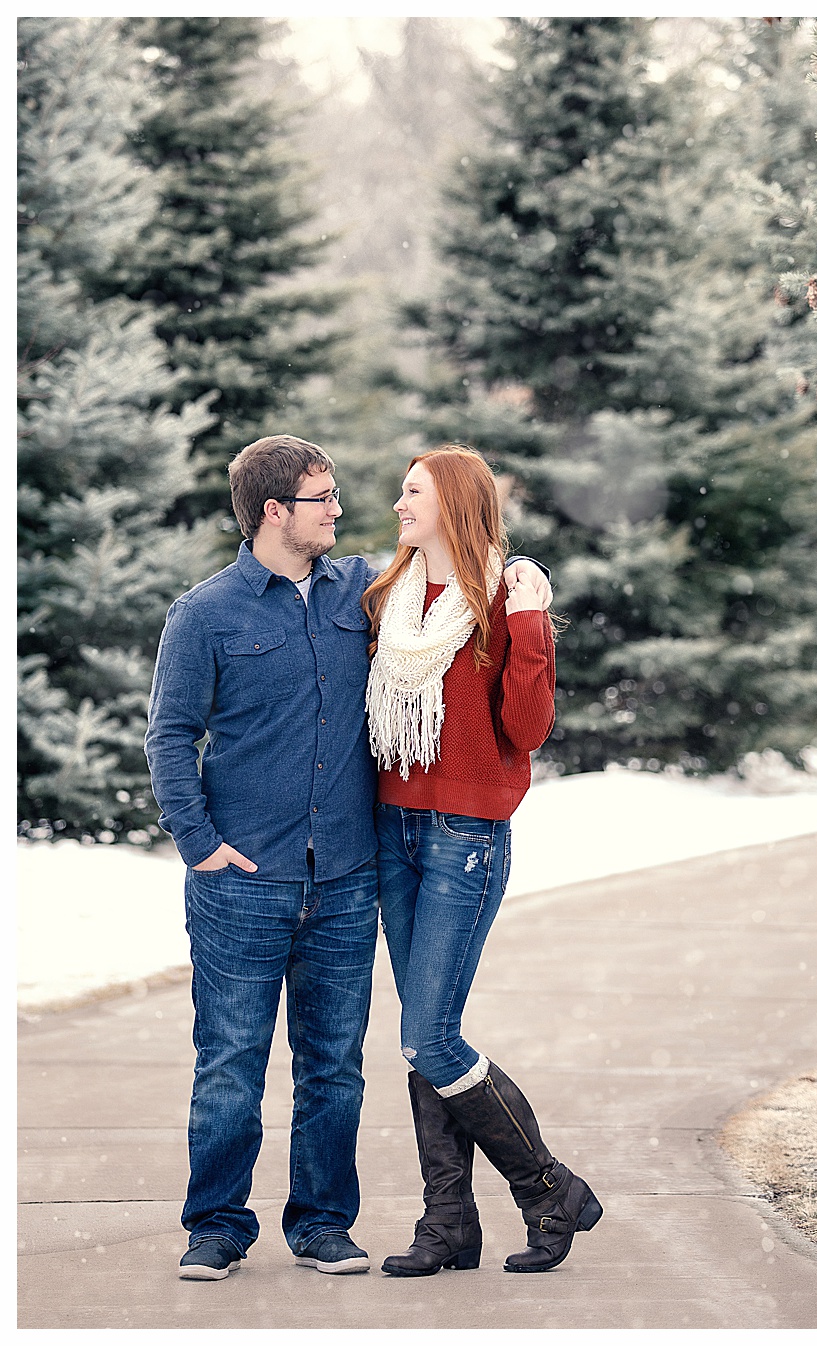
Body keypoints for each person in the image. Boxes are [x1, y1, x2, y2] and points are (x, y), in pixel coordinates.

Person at [146, 434, 544, 1282]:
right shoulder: (205, 614)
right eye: (320, 498)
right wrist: (199, 843)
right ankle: (216, 1225)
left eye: (335, 495)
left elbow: (453, 572)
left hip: (347, 878)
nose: (339, 509)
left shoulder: (366, 591)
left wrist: (521, 583)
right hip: (243, 881)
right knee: (230, 1063)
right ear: (272, 512)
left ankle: (324, 1223)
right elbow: (171, 736)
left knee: (333, 1067)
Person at [365, 446, 601, 1277]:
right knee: (426, 1038)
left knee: (429, 1035)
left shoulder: (506, 595)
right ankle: (451, 1226)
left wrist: (532, 627)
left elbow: (527, 728)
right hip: (393, 835)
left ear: (454, 503)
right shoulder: (387, 597)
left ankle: (550, 1190)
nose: (399, 505)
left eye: (413, 493)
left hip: (465, 838)